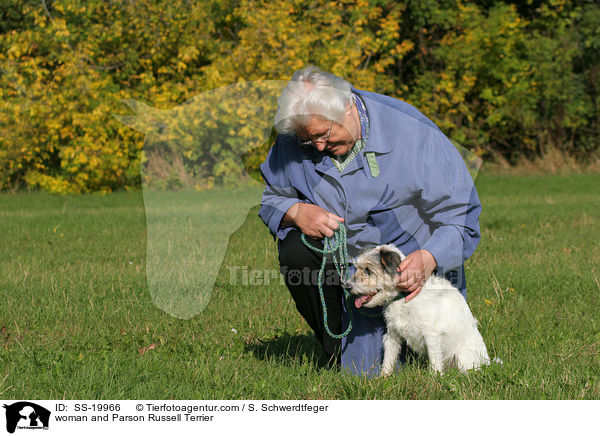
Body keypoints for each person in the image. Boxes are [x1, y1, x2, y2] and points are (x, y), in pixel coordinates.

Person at [258, 66, 481, 376]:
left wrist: (429, 258)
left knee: (393, 364)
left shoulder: (413, 130)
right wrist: (294, 212)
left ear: (348, 106)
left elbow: (462, 215)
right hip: (346, 265)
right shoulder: (294, 138)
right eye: (309, 142)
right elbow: (272, 197)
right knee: (296, 250)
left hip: (409, 271)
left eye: (324, 134)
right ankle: (335, 343)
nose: (318, 147)